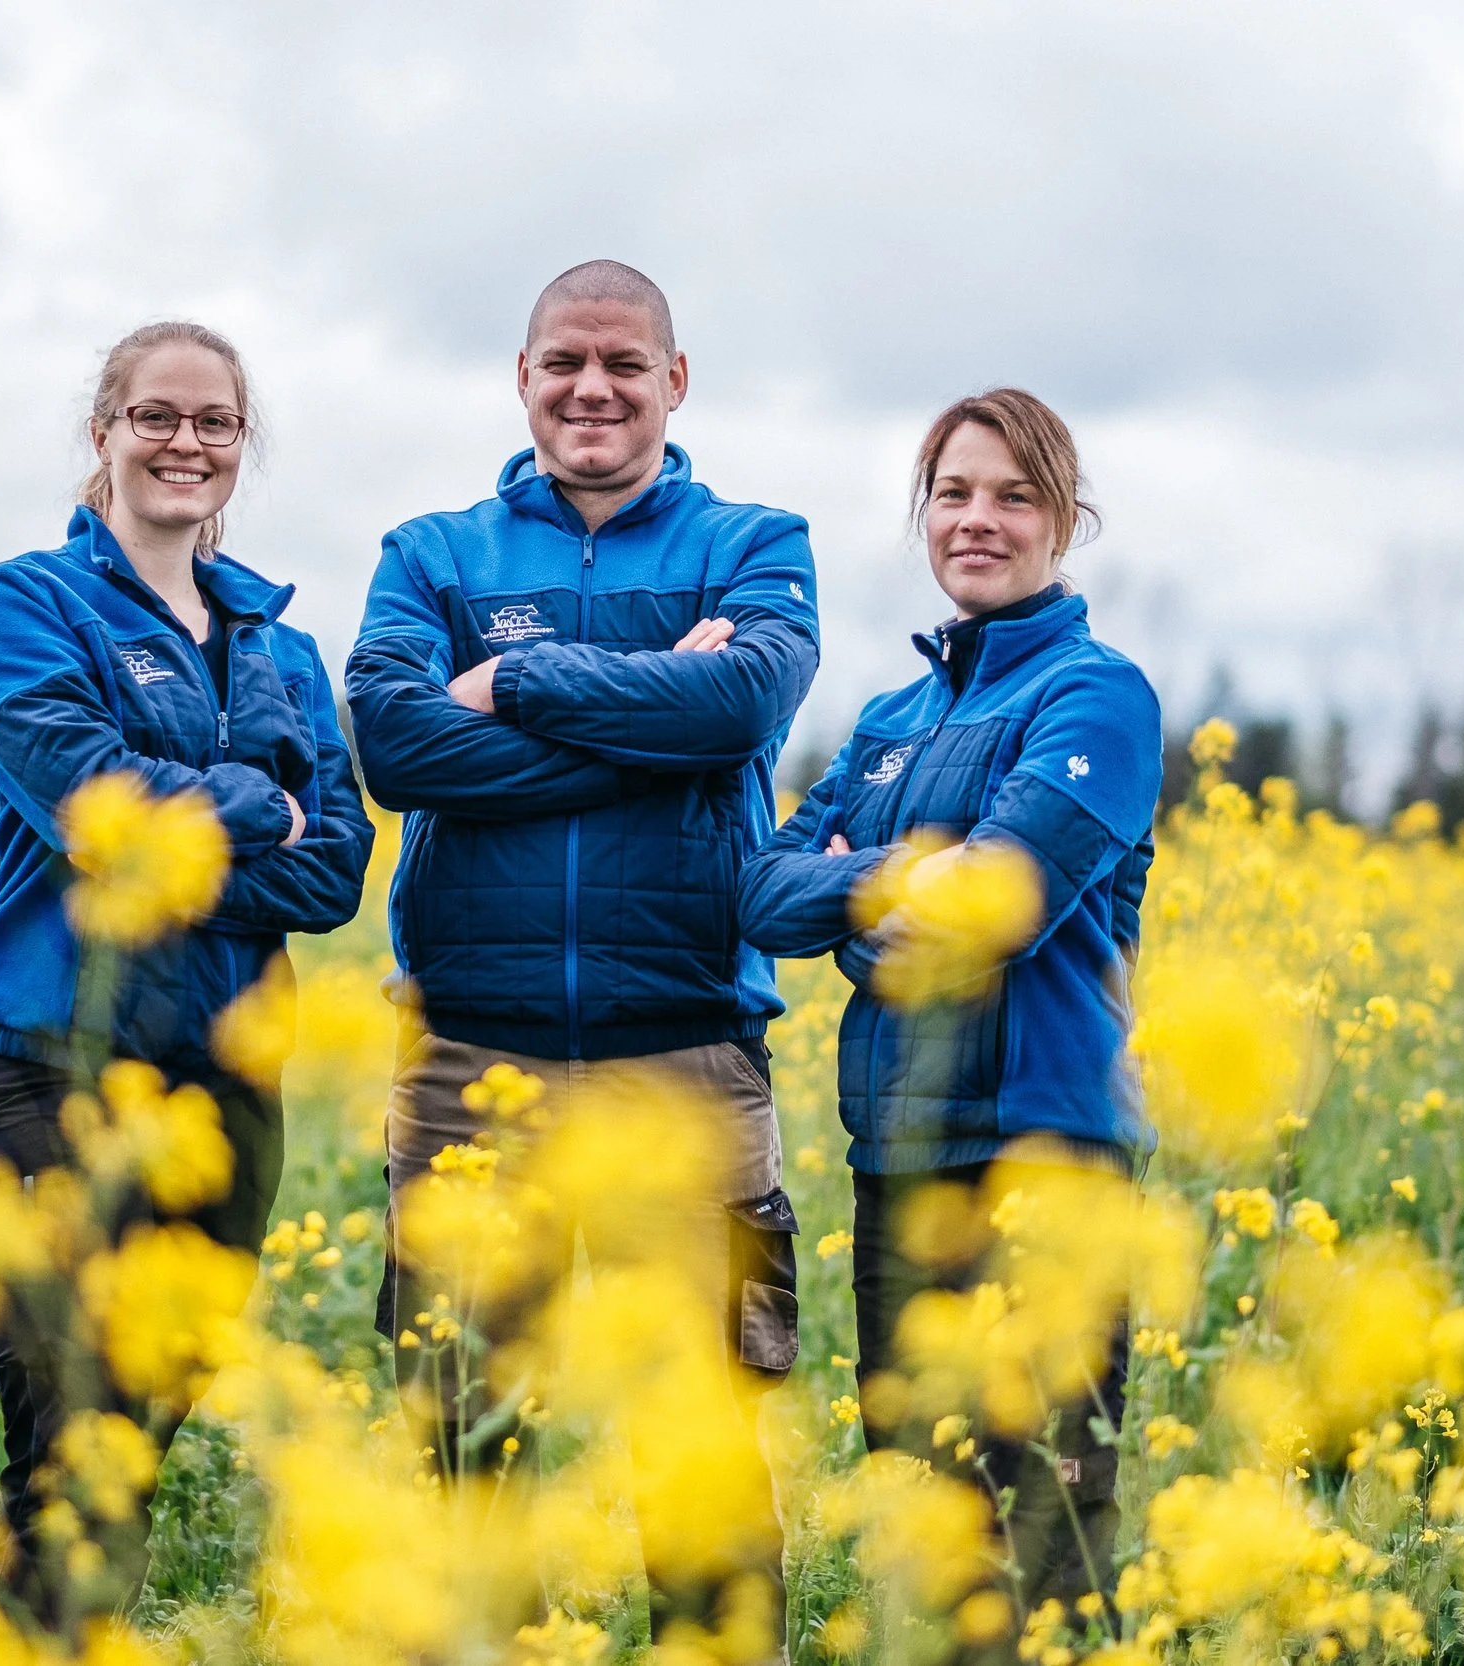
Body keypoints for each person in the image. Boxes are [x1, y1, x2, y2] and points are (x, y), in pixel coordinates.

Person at [346, 260, 819, 1648]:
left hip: (683, 1055)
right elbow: (395, 743)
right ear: (522, 377)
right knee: (463, 1438)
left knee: (700, 1446)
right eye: (565, 361)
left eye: (624, 363)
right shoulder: (433, 551)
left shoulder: (753, 538)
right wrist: (642, 731)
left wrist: (516, 682)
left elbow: (739, 704)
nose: (593, 388)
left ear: (676, 382)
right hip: (467, 1059)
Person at [0, 320, 375, 1629]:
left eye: (215, 422)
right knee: (72, 1451)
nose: (186, 442)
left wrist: (189, 832)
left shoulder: (284, 651)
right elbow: (86, 800)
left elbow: (335, 872)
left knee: (135, 1447)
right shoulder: (17, 607)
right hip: (39, 1070)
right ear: (104, 433)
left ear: (242, 447)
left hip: (224, 1093)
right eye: (157, 417)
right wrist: (256, 801)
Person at [736, 388, 1161, 1650]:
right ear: (924, 514)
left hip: (1045, 1148)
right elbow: (761, 888)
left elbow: (996, 901)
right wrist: (893, 882)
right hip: (902, 1158)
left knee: (1047, 1526)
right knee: (925, 1525)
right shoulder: (887, 722)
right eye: (955, 494)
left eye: (1013, 495)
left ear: (1065, 521)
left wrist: (877, 886)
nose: (979, 520)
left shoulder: (1099, 696)